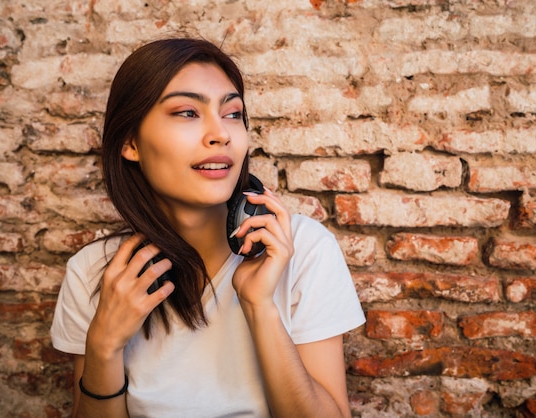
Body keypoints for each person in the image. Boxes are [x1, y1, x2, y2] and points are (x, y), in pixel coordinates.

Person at [50, 37, 365, 418]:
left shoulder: (302, 250)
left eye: (233, 113)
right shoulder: (94, 273)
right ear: (130, 142)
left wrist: (259, 305)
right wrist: (103, 345)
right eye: (187, 113)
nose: (222, 134)